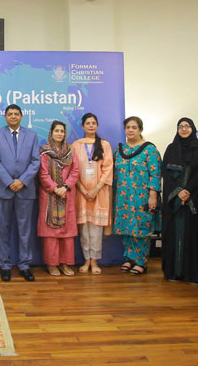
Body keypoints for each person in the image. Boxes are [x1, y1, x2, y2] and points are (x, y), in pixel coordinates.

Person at [161, 117, 198, 284]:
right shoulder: (171, 149)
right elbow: (166, 174)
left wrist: (188, 192)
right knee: (173, 235)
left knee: (193, 236)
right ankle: (174, 272)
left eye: (187, 126)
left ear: (193, 128)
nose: (184, 129)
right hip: (174, 202)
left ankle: (194, 273)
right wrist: (177, 193)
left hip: (194, 199)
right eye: (180, 126)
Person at [0, 104, 40, 282]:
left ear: (21, 116)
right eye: (9, 114)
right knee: (3, 229)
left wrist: (22, 181)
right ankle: (5, 266)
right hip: (4, 190)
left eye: (16, 114)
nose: (13, 116)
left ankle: (25, 265)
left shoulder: (32, 135)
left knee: (25, 230)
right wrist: (10, 182)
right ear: (5, 117)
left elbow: (35, 161)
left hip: (25, 190)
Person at [113, 116, 162, 276]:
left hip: (142, 197)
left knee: (141, 229)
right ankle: (130, 258)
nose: (131, 130)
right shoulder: (120, 151)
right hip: (122, 197)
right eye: (128, 127)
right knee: (126, 228)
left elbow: (155, 174)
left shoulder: (149, 149)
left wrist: (153, 195)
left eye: (134, 127)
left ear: (140, 129)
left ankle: (141, 261)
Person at [36, 120, 79, 277]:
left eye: (62, 131)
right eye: (57, 131)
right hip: (49, 195)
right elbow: (43, 173)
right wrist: (54, 188)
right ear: (51, 133)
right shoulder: (45, 152)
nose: (59, 133)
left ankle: (65, 264)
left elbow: (75, 171)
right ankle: (52, 264)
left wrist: (65, 187)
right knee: (51, 233)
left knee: (67, 233)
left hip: (67, 195)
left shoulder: (70, 151)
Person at [72, 113, 113, 275]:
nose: (91, 125)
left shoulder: (104, 145)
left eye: (93, 123)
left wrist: (96, 189)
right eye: (87, 123)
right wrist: (82, 189)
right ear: (82, 126)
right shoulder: (75, 145)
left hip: (99, 192)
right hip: (80, 193)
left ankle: (95, 260)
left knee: (96, 229)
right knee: (84, 230)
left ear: (97, 126)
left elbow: (108, 168)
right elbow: (73, 170)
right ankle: (86, 259)